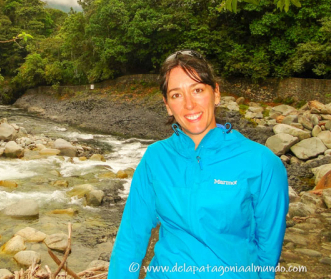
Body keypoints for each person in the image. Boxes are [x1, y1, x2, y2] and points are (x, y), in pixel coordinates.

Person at [107, 50, 289, 278]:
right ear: (166, 105)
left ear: (216, 93)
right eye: (176, 95)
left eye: (198, 90)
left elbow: (268, 252)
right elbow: (130, 239)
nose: (189, 105)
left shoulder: (262, 164)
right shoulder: (155, 159)